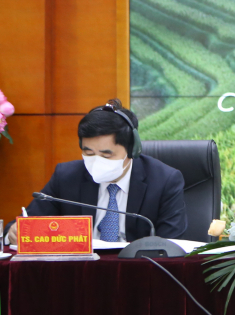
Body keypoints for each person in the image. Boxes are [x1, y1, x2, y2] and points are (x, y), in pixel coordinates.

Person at [7, 99, 187, 243]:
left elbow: (170, 244)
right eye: (89, 153)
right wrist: (14, 233)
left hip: (139, 273)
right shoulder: (67, 176)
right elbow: (23, 225)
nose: (96, 161)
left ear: (132, 150)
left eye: (106, 155)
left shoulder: (165, 180)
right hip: (79, 273)